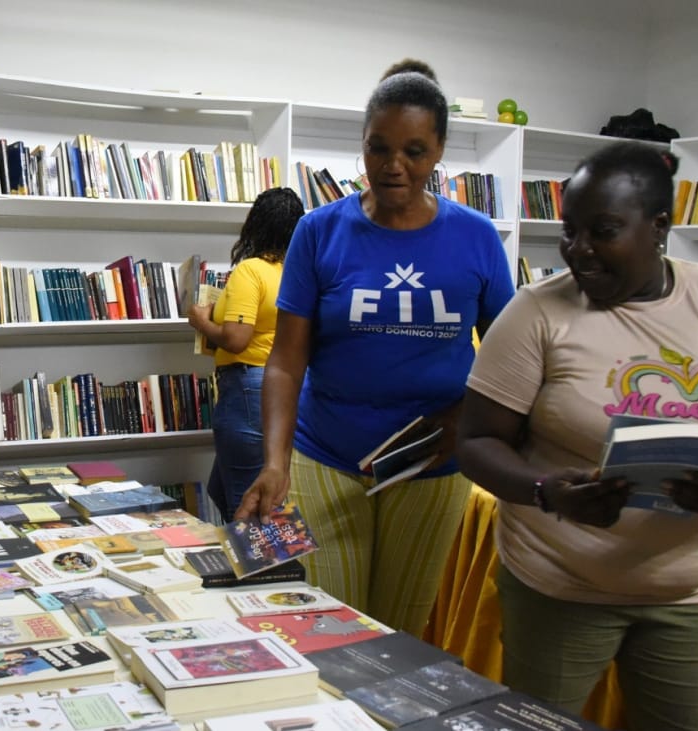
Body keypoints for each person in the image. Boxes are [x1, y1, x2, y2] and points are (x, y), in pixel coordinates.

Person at [456, 141, 698, 731]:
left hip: (687, 592)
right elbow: (476, 442)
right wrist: (547, 491)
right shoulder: (536, 312)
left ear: (659, 228)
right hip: (560, 588)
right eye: (570, 231)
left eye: (604, 231)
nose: (579, 250)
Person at [235, 59, 515, 636]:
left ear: (439, 151)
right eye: (378, 148)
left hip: (431, 466)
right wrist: (273, 461)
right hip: (324, 455)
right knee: (326, 627)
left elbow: (514, 357)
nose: (393, 166)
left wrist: (468, 417)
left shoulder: (477, 237)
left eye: (414, 151)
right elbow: (287, 361)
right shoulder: (319, 231)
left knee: (400, 634)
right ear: (361, 145)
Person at [187, 187, 305, 519]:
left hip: (248, 386)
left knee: (249, 506)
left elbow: (237, 339)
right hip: (284, 389)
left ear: (256, 223)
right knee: (223, 490)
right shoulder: (296, 274)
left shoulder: (250, 270)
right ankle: (244, 565)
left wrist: (201, 321)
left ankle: (259, 571)